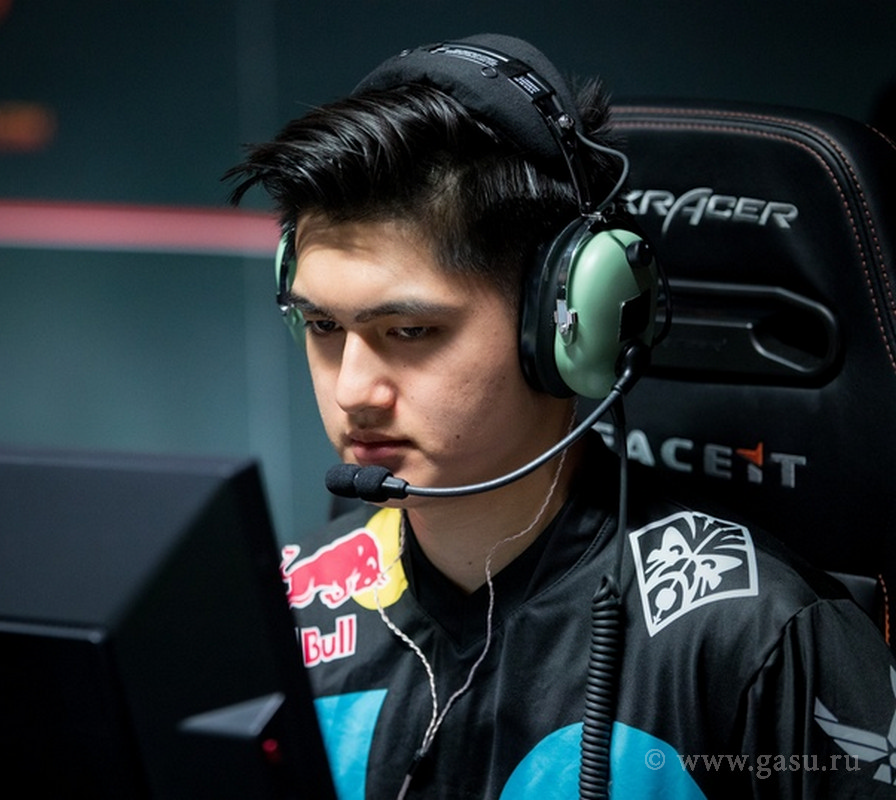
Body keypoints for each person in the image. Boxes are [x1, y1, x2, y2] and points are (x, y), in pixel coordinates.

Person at [225, 32, 896, 799]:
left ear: (565, 324)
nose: (352, 390)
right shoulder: (292, 609)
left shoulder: (754, 637)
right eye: (322, 326)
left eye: (408, 331)